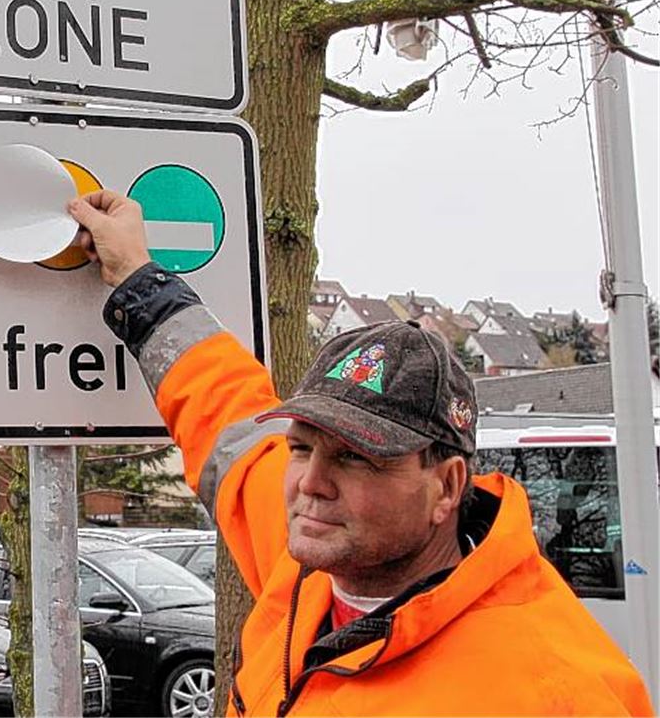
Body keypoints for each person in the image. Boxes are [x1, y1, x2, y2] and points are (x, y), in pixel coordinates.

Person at [68, 190, 654, 717]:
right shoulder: (313, 563)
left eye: (355, 457)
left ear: (446, 487)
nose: (310, 482)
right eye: (301, 447)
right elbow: (223, 413)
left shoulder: (555, 690)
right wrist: (138, 279)